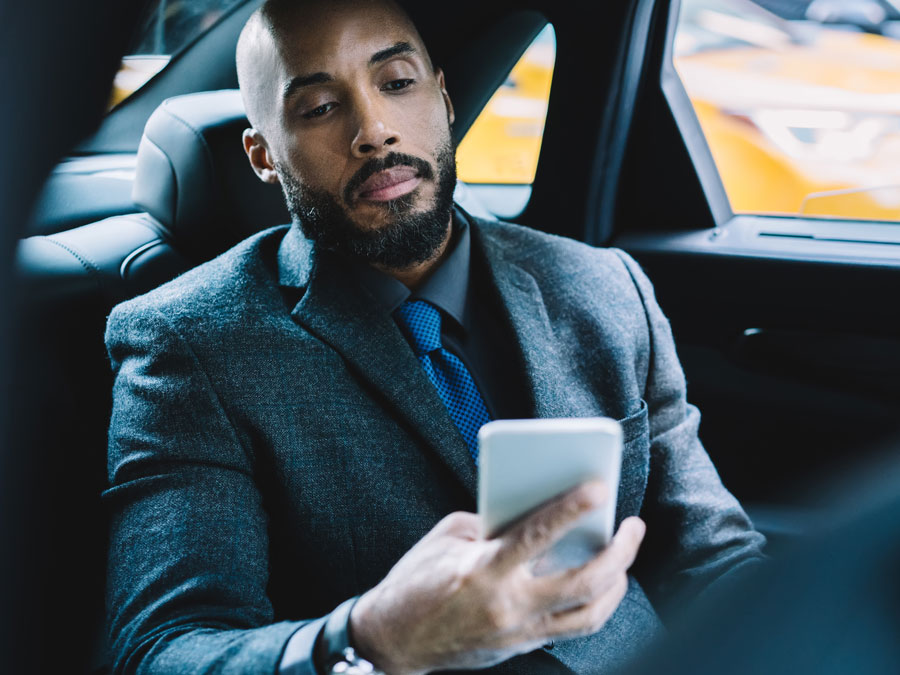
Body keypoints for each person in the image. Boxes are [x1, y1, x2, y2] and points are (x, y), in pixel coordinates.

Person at [103, 1, 766, 673]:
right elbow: (165, 650)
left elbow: (711, 554)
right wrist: (370, 638)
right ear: (264, 156)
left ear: (443, 97)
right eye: (320, 108)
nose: (375, 130)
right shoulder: (188, 345)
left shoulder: (604, 288)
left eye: (396, 82)